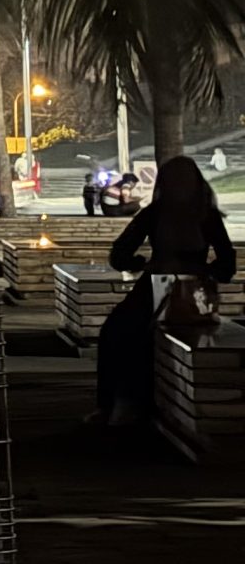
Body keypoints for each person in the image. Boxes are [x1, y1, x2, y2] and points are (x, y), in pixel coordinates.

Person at [94, 155, 237, 425]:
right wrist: (205, 273)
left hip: (155, 287)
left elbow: (120, 254)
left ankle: (118, 404)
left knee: (117, 332)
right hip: (193, 294)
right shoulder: (205, 215)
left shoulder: (156, 212)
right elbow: (227, 263)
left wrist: (139, 264)